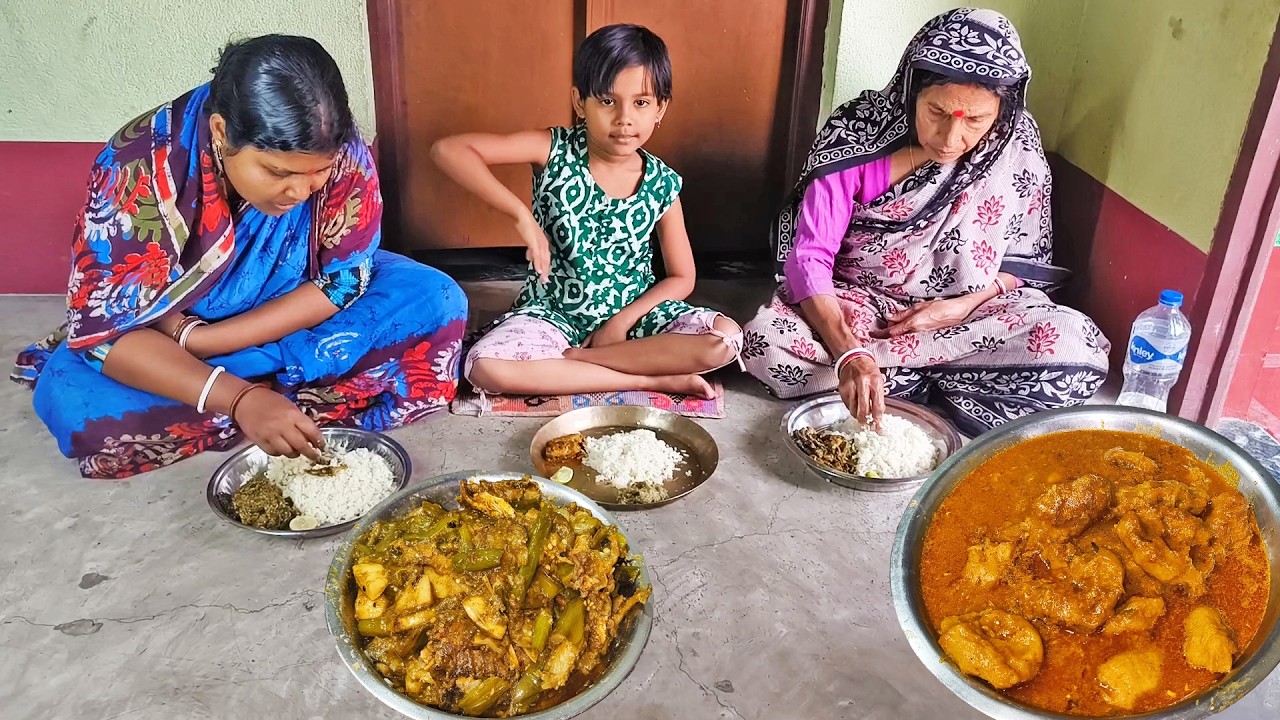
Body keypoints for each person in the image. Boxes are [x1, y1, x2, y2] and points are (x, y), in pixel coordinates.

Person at [11, 35, 468, 479]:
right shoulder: (137, 170)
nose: (299, 191)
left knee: (437, 299)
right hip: (170, 328)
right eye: (277, 172)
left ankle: (259, 387)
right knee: (76, 404)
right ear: (220, 133)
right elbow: (106, 334)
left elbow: (344, 282)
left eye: (317, 174)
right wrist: (235, 398)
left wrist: (207, 343)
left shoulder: (340, 149)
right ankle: (276, 390)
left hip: (262, 317)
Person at [742, 8, 1110, 436]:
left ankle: (896, 384)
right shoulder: (855, 134)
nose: (951, 139)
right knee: (766, 345)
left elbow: (1021, 262)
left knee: (1075, 349)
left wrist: (959, 306)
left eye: (975, 120)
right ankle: (919, 382)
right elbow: (809, 259)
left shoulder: (1016, 143)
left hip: (969, 315)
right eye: (936, 112)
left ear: (1002, 112)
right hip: (862, 307)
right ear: (912, 88)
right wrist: (849, 354)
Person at [431, 24, 742, 402]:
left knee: (724, 340)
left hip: (634, 319)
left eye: (641, 103)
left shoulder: (661, 183)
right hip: (551, 312)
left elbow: (682, 276)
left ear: (660, 108)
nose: (624, 118)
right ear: (580, 103)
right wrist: (520, 216)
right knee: (484, 367)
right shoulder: (552, 149)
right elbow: (449, 151)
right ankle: (648, 379)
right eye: (607, 102)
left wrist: (621, 322)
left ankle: (590, 362)